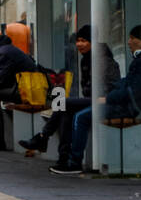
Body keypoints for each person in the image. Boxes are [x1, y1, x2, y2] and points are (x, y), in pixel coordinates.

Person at [52, 23, 141, 174]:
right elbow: (126, 83)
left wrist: (108, 98)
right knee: (67, 109)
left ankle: (73, 161)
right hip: (121, 103)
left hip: (126, 106)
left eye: (132, 38)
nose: (129, 42)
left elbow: (131, 89)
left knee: (80, 117)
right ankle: (58, 150)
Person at [19, 25, 120, 160]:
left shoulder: (103, 59)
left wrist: (103, 97)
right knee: (66, 112)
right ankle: (64, 156)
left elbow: (112, 85)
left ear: (92, 41)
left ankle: (43, 137)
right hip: (91, 99)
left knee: (63, 103)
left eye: (84, 40)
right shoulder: (86, 59)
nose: (79, 44)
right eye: (78, 40)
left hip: (103, 101)